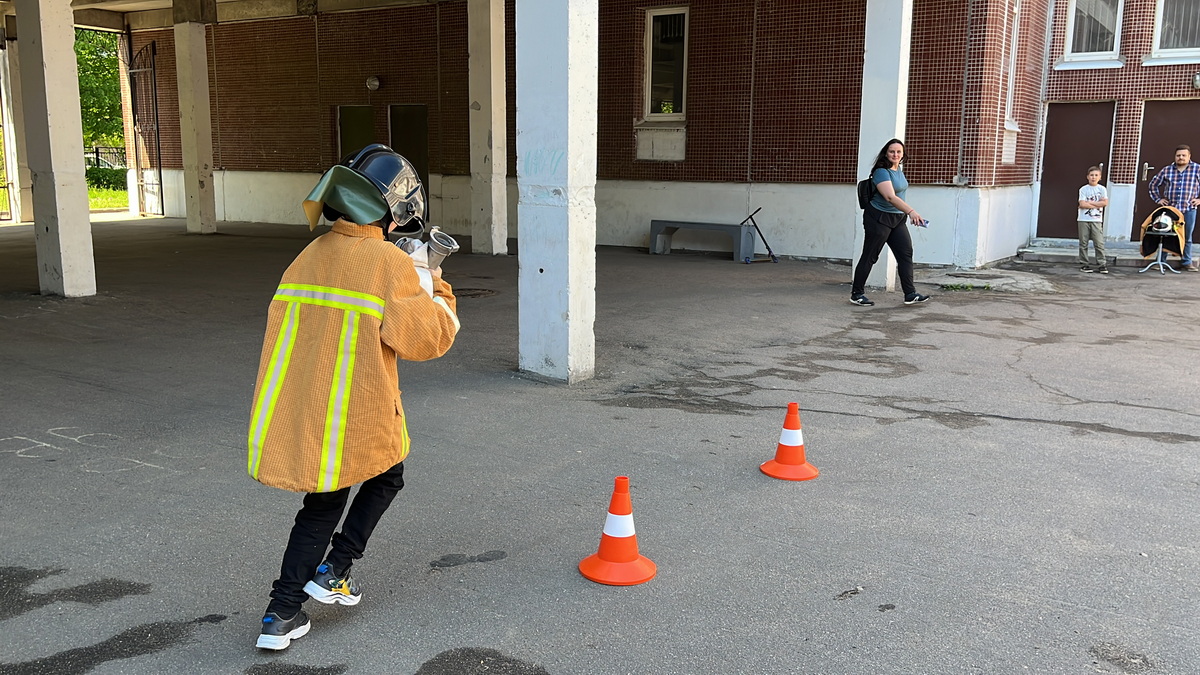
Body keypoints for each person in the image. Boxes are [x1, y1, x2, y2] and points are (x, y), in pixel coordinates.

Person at [247, 144, 460, 650]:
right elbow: (429, 339)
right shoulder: (388, 263)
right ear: (394, 208)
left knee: (321, 505)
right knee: (388, 475)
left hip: (306, 404)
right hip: (356, 408)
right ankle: (334, 569)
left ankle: (281, 614)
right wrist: (434, 281)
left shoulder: (309, 255)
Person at [851, 138, 931, 306]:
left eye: (898, 152)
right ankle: (857, 294)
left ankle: (910, 294)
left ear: (902, 155)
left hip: (897, 219)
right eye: (891, 151)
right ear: (886, 154)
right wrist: (911, 211)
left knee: (905, 255)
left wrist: (905, 213)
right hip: (878, 218)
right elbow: (889, 196)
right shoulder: (881, 171)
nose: (895, 154)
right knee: (870, 256)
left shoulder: (898, 169)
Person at [1148, 145, 1200, 272]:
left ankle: (1186, 262)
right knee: (1165, 234)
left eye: (1183, 155)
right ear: (1175, 157)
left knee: (1187, 236)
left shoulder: (1197, 169)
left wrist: (1199, 200)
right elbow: (1153, 185)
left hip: (1189, 208)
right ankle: (1160, 261)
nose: (1180, 158)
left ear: (1189, 156)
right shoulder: (1167, 170)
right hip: (1170, 210)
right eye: (1178, 155)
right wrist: (1158, 199)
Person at [1077, 166, 1110, 274]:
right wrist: (1097, 204)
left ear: (1100, 177)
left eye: (1096, 175)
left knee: (1099, 243)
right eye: (1091, 175)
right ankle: (1084, 264)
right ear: (1087, 177)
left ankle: (1101, 264)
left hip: (1096, 220)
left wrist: (1089, 204)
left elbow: (1105, 203)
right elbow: (1082, 203)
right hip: (1083, 219)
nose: (1093, 177)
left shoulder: (1102, 189)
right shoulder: (1083, 189)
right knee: (1083, 242)